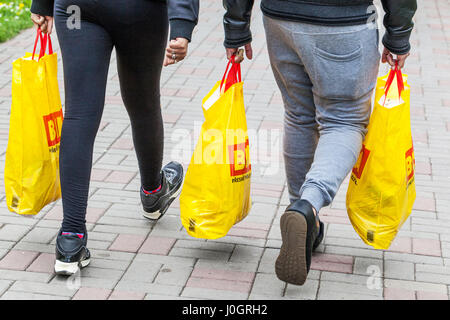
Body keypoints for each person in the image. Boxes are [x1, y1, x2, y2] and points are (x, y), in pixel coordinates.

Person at [223, 0, 417, 285]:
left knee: (299, 115)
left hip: (280, 20)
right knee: (344, 121)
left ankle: (304, 223)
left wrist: (236, 25)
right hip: (342, 22)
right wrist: (398, 34)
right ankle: (307, 205)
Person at [30, 0, 199, 276]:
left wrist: (42, 2)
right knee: (143, 104)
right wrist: (182, 22)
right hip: (138, 10)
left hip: (77, 9)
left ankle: (71, 238)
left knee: (79, 115)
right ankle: (153, 192)